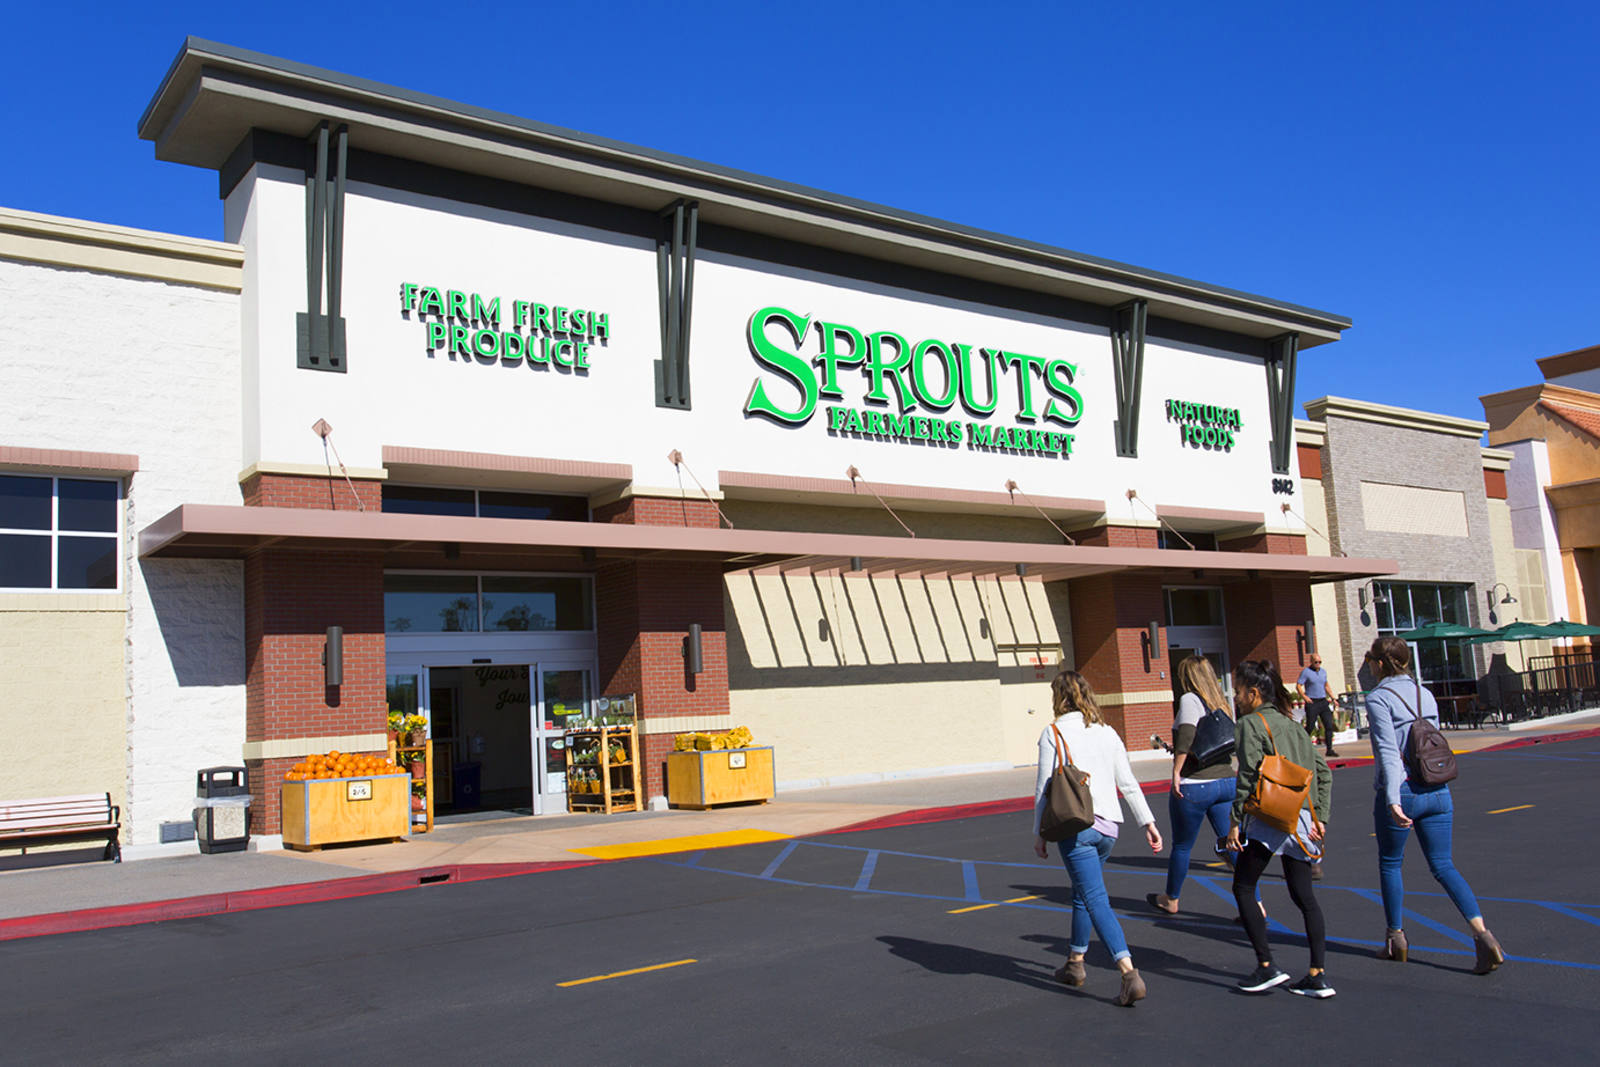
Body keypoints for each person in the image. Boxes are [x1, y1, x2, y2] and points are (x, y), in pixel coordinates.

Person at [1363, 636, 1504, 973]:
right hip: (1437, 789)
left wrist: (1393, 799)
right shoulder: (1424, 694)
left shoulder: (1379, 698)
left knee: (1390, 863)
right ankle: (1482, 935)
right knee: (1443, 865)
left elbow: (1388, 752)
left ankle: (1395, 938)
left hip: (1405, 790)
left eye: (1370, 660)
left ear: (1381, 664)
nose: (1368, 665)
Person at [1032, 670, 1164, 1007]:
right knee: (1082, 893)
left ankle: (1128, 972)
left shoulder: (1054, 732)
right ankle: (1075, 963)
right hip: (1109, 828)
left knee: (1094, 897)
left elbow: (1043, 789)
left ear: (1058, 699)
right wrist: (1148, 822)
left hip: (1076, 827)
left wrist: (1039, 833)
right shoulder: (1108, 732)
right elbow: (1128, 781)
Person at [1224, 659, 1335, 998]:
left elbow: (1248, 777)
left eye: (1240, 691)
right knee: (1305, 896)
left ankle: (1267, 965)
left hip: (1271, 816)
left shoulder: (1249, 724)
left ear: (1254, 694)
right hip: (1302, 817)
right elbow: (1323, 773)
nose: (1236, 697)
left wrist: (1234, 821)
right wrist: (1321, 817)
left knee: (1243, 886)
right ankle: (1317, 974)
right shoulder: (1295, 726)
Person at [1147, 655, 1237, 916]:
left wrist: (1176, 771)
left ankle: (1171, 898)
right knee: (1230, 842)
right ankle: (1254, 901)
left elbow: (1187, 735)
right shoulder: (1220, 702)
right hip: (1225, 779)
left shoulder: (1189, 699)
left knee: (1183, 846)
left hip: (1196, 783)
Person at [1296, 654, 1338, 757]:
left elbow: (1326, 685)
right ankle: (1301, 747)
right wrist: (1305, 697)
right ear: (1311, 662)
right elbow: (1298, 685)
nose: (1318, 664)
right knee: (1310, 726)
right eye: (1316, 662)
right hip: (1312, 702)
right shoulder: (1306, 672)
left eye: (1320, 662)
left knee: (1328, 725)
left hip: (1323, 701)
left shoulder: (1323, 672)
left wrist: (1333, 698)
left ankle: (1329, 749)